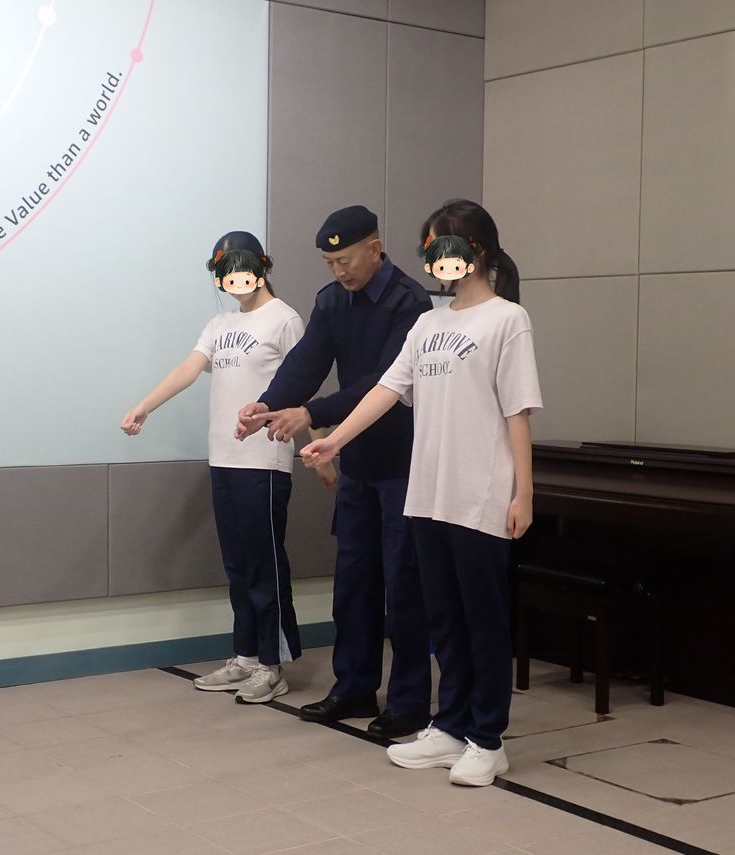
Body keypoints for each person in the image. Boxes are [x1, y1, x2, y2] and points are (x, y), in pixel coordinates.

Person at [301, 199, 543, 785]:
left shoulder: (507, 320)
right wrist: (334, 441)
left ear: (475, 252)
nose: (435, 259)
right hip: (427, 494)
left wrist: (523, 494)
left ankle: (488, 738)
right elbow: (386, 390)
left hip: (480, 495)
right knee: (444, 617)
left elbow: (518, 413)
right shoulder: (429, 323)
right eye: (428, 249)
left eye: (443, 247)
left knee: (482, 619)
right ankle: (451, 725)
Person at [236, 205, 434, 739]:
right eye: (329, 263)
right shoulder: (331, 301)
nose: (338, 270)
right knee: (353, 581)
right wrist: (267, 404)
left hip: (404, 464)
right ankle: (354, 688)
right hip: (357, 462)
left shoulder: (410, 301)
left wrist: (312, 413)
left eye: (345, 260)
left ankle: (410, 700)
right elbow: (306, 362)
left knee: (403, 584)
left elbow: (384, 381)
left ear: (376, 247)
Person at [122, 231, 336, 704]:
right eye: (225, 272)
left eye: (241, 268)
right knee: (238, 565)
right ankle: (245, 656)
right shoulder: (219, 324)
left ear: (261, 266)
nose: (234, 279)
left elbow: (302, 385)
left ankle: (271, 665)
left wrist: (319, 449)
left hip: (265, 461)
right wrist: (144, 406)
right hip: (224, 459)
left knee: (264, 564)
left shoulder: (285, 319)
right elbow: (188, 368)